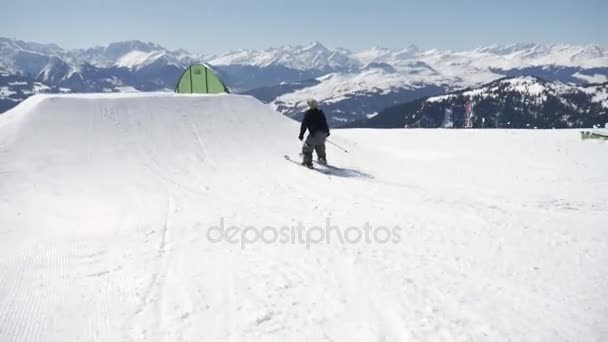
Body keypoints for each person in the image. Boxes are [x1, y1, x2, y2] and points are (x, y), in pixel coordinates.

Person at [299, 99, 330, 168]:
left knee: (307, 148)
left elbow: (304, 125)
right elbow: (325, 122)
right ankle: (322, 159)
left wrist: (301, 134)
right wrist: (327, 132)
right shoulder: (320, 112)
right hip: (323, 133)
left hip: (314, 133)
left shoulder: (308, 113)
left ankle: (307, 162)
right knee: (320, 145)